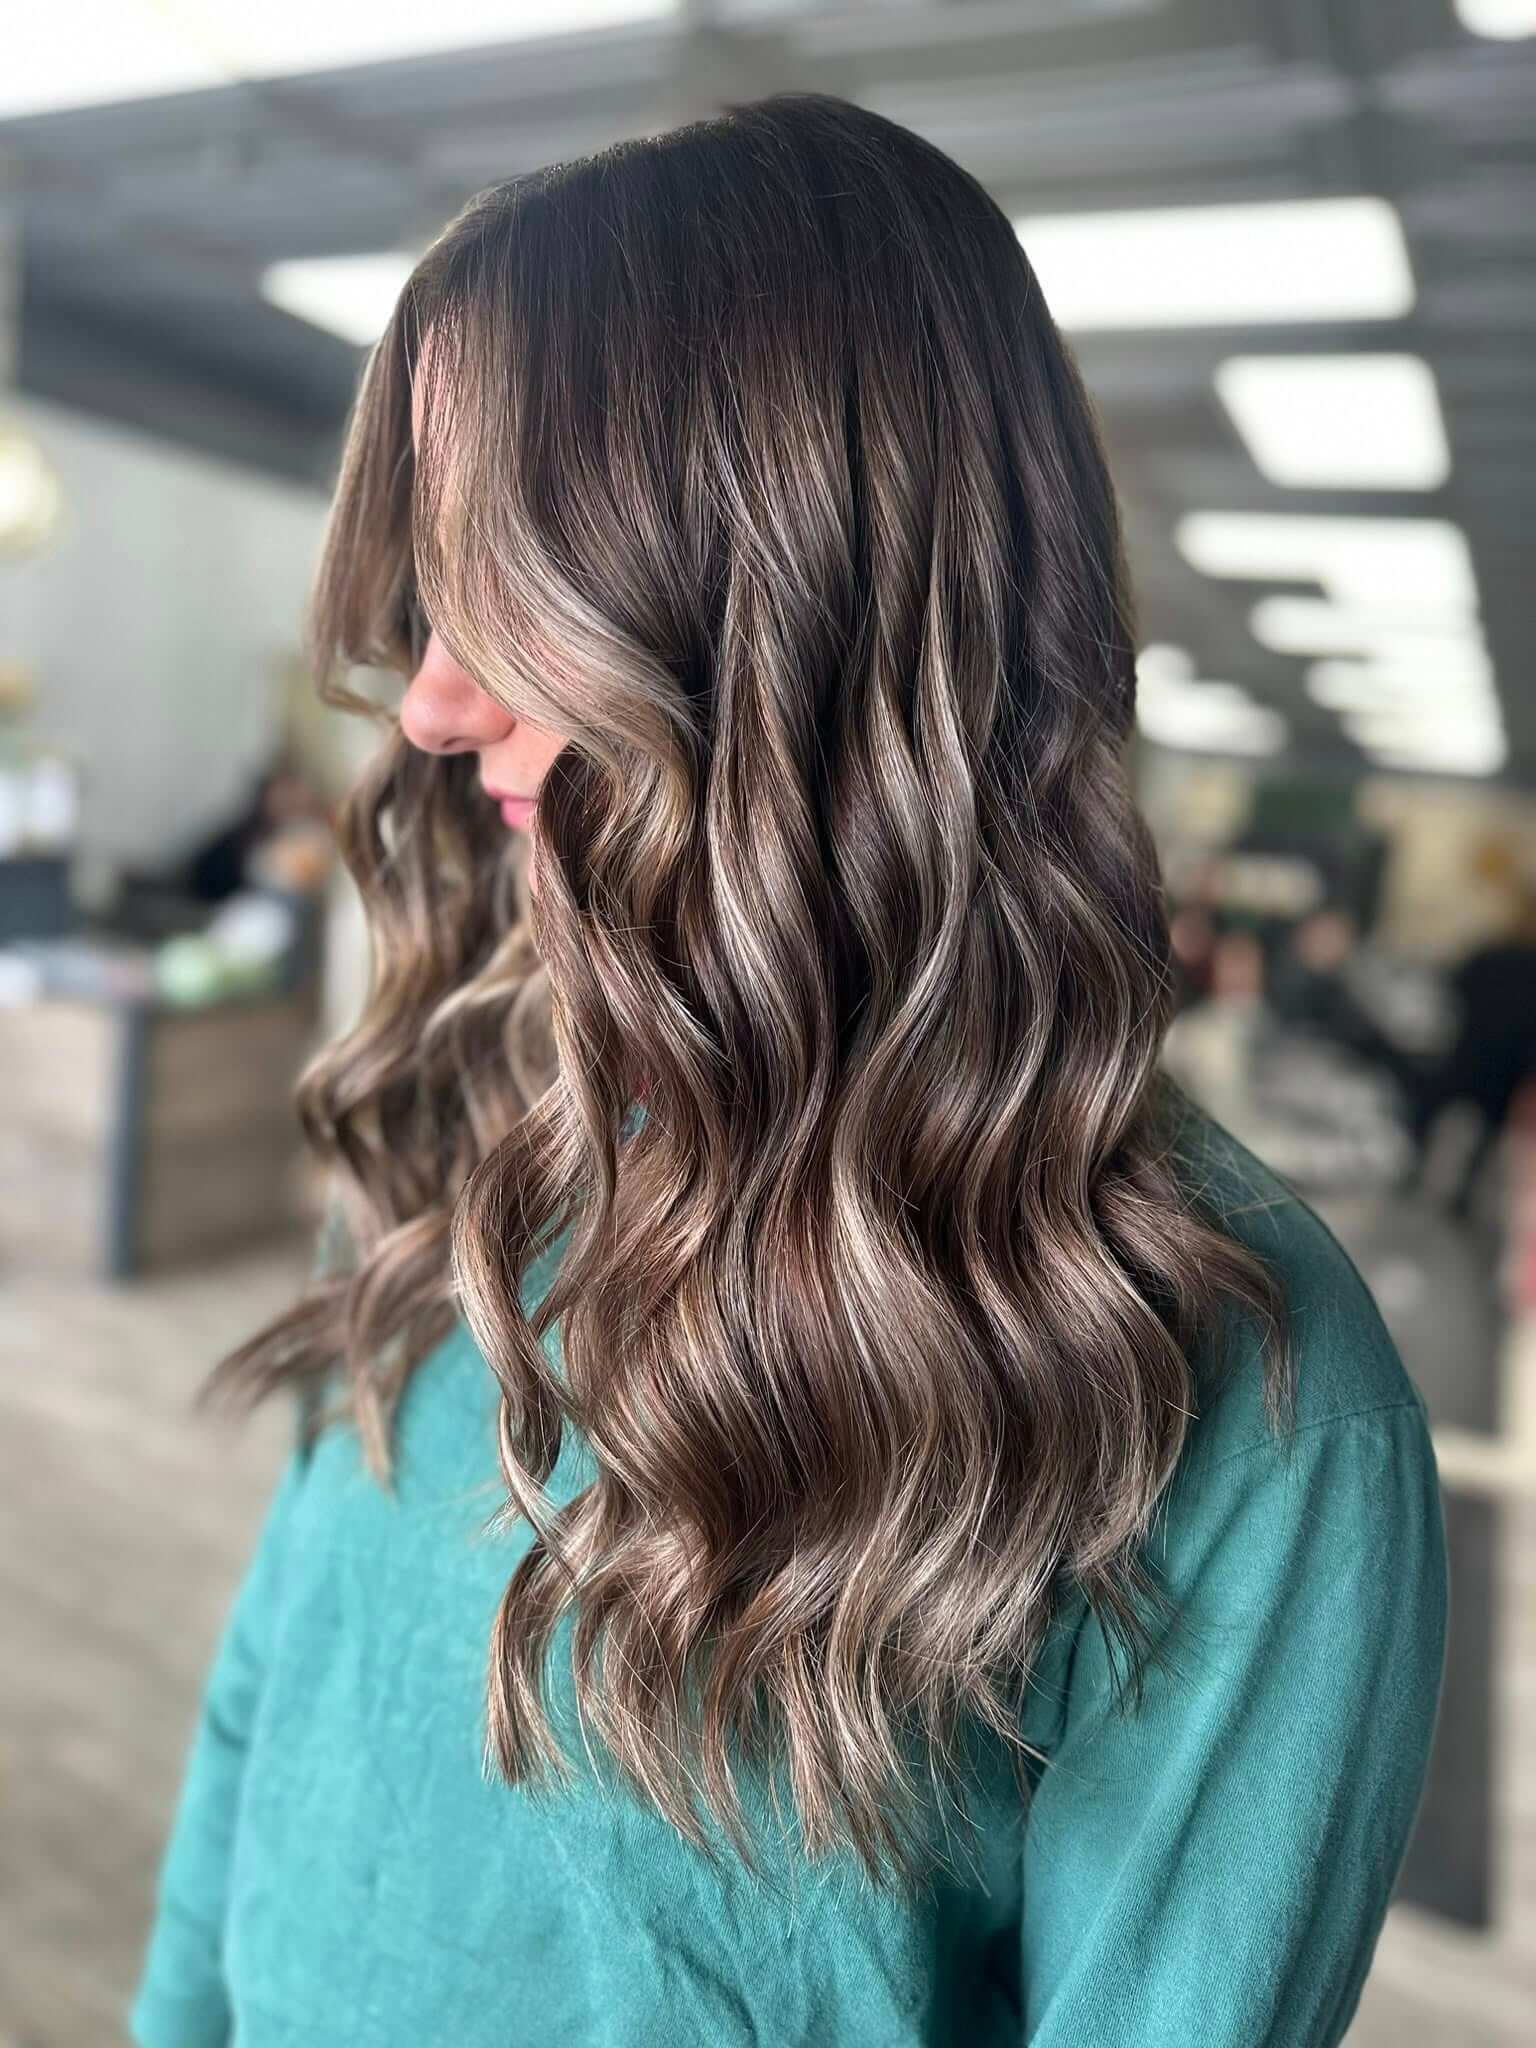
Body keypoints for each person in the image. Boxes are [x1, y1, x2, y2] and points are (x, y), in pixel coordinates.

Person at [128, 95, 1447, 2048]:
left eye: (512, 577)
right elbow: (276, 1697)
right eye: (433, 586)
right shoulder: (492, 1103)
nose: (427, 699)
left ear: (782, 611)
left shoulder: (1236, 1395)